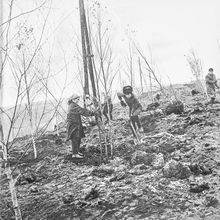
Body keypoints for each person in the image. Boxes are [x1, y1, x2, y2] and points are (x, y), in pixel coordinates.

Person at [66, 94, 97, 158]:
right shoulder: (73, 106)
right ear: (73, 100)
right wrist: (92, 113)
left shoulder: (73, 105)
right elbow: (82, 111)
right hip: (74, 125)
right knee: (75, 138)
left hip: (76, 124)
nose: (78, 100)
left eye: (78, 99)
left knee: (78, 138)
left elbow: (81, 110)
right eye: (77, 99)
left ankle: (76, 152)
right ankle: (75, 154)